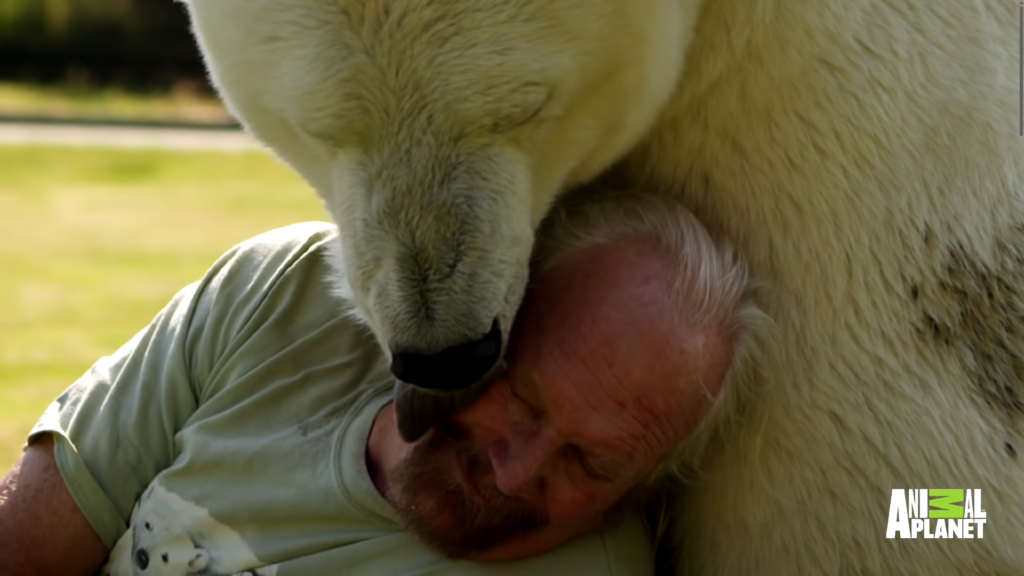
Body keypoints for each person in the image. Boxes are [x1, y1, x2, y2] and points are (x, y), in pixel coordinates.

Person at [0, 190, 761, 575]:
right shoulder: (286, 293)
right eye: (522, 400)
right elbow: (25, 550)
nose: (516, 470)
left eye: (590, 463)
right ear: (489, 307)